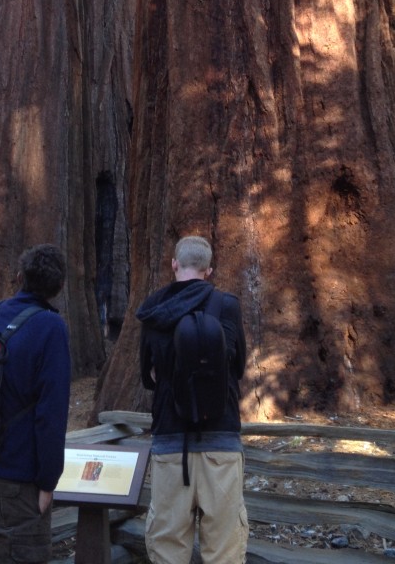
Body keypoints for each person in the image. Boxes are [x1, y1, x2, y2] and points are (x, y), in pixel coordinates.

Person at [137, 235, 249, 564]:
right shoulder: (227, 305)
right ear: (209, 270)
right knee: (225, 549)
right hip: (222, 440)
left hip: (170, 440)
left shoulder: (154, 309)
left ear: (174, 264)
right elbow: (239, 367)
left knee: (168, 547)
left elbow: (147, 377)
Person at [0, 243, 71, 564]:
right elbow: (51, 415)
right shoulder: (50, 328)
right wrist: (48, 483)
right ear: (58, 288)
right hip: (19, 480)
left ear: (19, 276)